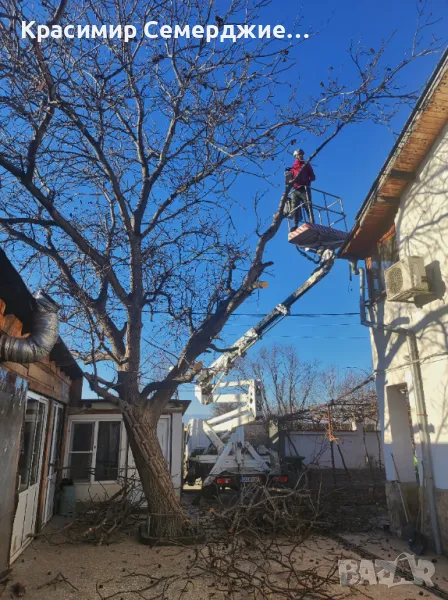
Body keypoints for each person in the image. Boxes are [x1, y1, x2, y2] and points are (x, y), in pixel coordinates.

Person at [289, 149, 316, 227]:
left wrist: (309, 179)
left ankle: (312, 223)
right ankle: (295, 224)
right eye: (299, 154)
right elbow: (289, 181)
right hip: (295, 190)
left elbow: (313, 177)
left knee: (308, 206)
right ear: (296, 156)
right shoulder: (292, 168)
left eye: (302, 154)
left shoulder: (306, 165)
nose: (301, 156)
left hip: (304, 189)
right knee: (294, 207)